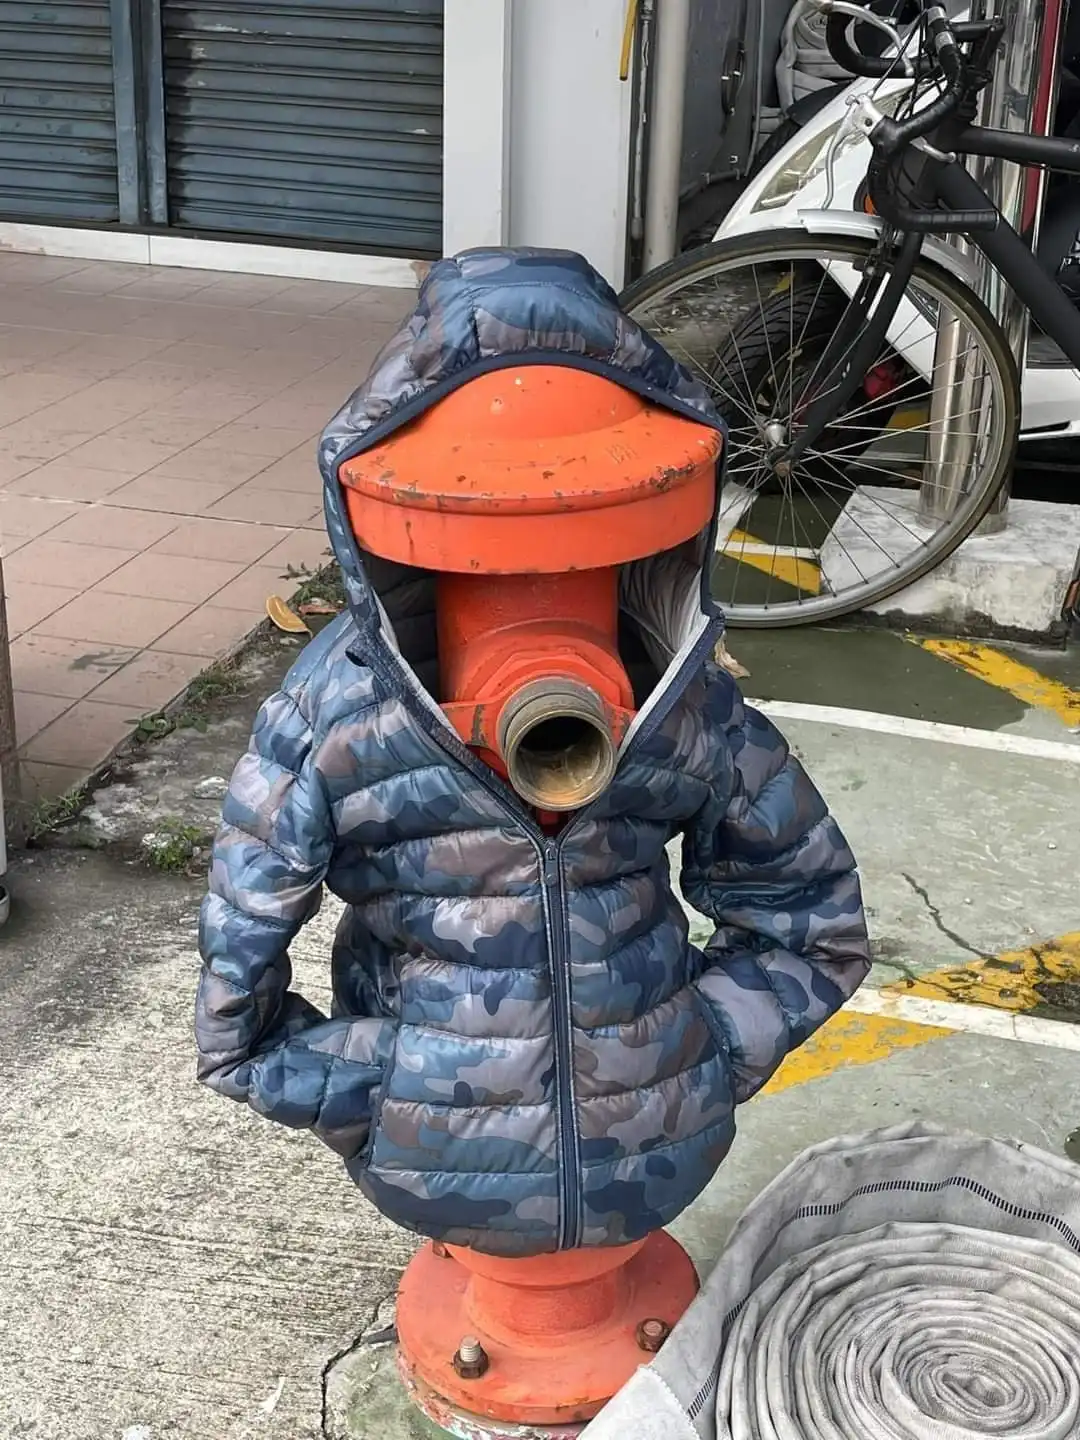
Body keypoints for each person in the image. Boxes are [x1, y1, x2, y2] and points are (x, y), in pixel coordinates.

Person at [193, 249, 871, 1255]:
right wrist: (381, 1084)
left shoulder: (676, 703)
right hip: (559, 1153)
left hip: (610, 1156)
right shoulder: (343, 715)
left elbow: (812, 919)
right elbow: (234, 1013)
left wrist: (702, 1052)